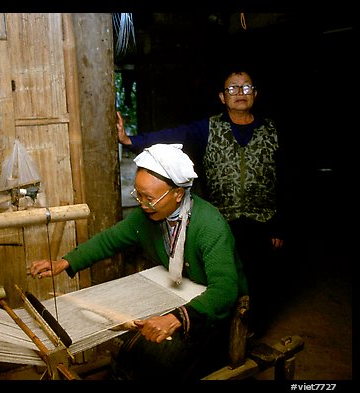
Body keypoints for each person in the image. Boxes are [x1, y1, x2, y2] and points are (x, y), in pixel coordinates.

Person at [30, 144, 248, 380]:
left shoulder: (209, 225)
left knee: (159, 358)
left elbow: (225, 290)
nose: (143, 204)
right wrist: (65, 262)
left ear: (178, 194)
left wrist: (175, 318)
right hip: (180, 292)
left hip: (210, 310)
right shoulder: (147, 217)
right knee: (130, 343)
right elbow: (110, 240)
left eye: (150, 198)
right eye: (138, 195)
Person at [117, 68, 284, 337]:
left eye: (245, 87)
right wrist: (130, 140)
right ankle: (223, 331)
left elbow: (284, 178)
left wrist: (279, 226)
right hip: (224, 220)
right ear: (222, 97)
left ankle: (253, 330)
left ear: (255, 93)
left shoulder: (271, 130)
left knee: (259, 278)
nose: (239, 93)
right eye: (232, 89)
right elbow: (173, 134)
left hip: (261, 220)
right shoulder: (208, 128)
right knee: (224, 278)